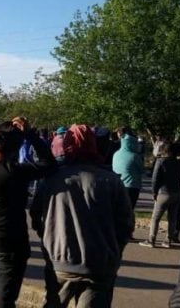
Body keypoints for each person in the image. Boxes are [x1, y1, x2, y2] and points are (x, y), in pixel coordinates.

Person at [31, 124, 133, 308]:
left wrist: (50, 241)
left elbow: (36, 215)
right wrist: (113, 251)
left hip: (60, 261)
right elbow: (125, 225)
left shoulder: (52, 180)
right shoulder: (112, 181)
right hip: (100, 264)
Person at [0, 122, 55, 308]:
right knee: (5, 294)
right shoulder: (13, 172)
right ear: (15, 147)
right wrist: (31, 136)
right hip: (10, 239)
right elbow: (49, 164)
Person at [140, 142, 180, 248]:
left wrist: (154, 192)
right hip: (177, 192)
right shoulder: (179, 163)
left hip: (164, 192)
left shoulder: (161, 161)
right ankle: (168, 240)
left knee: (155, 217)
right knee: (172, 218)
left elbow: (155, 178)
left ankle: (151, 239)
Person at [112, 127, 144, 212]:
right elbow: (142, 170)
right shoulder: (134, 156)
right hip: (132, 186)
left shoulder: (116, 154)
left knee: (119, 210)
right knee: (129, 210)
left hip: (118, 185)